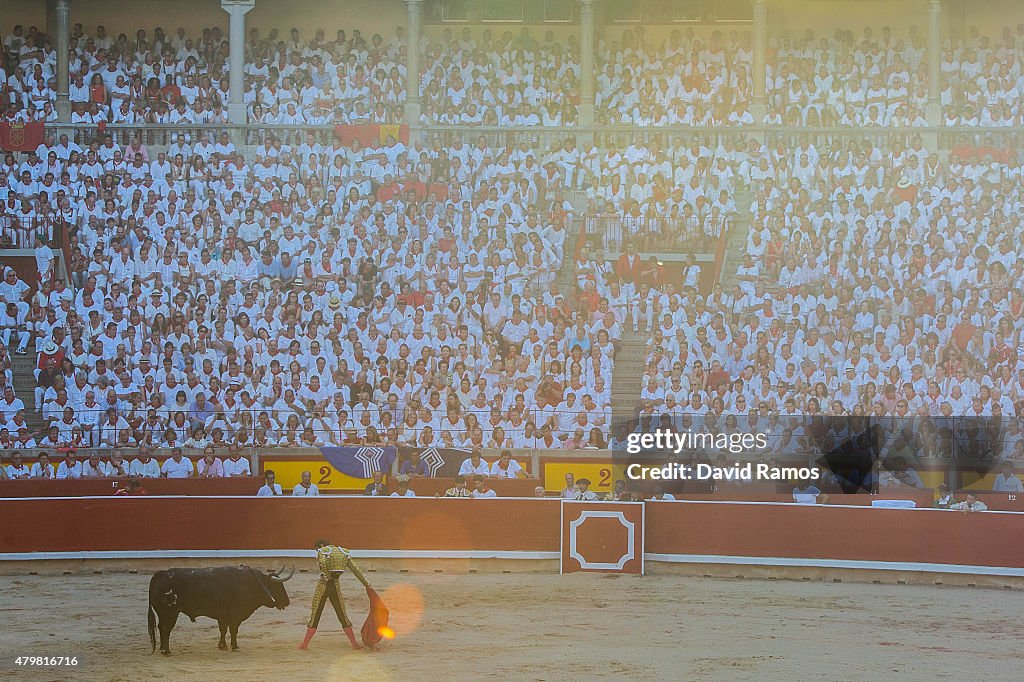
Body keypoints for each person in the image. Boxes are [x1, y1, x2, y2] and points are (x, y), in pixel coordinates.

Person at [298, 539, 372, 651]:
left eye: (317, 549)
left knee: (315, 615)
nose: (317, 551)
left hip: (323, 586)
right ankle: (354, 644)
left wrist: (327, 576)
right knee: (342, 614)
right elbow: (356, 570)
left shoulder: (322, 551)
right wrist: (367, 584)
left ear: (321, 546)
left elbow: (322, 564)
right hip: (335, 587)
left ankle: (304, 644)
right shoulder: (344, 553)